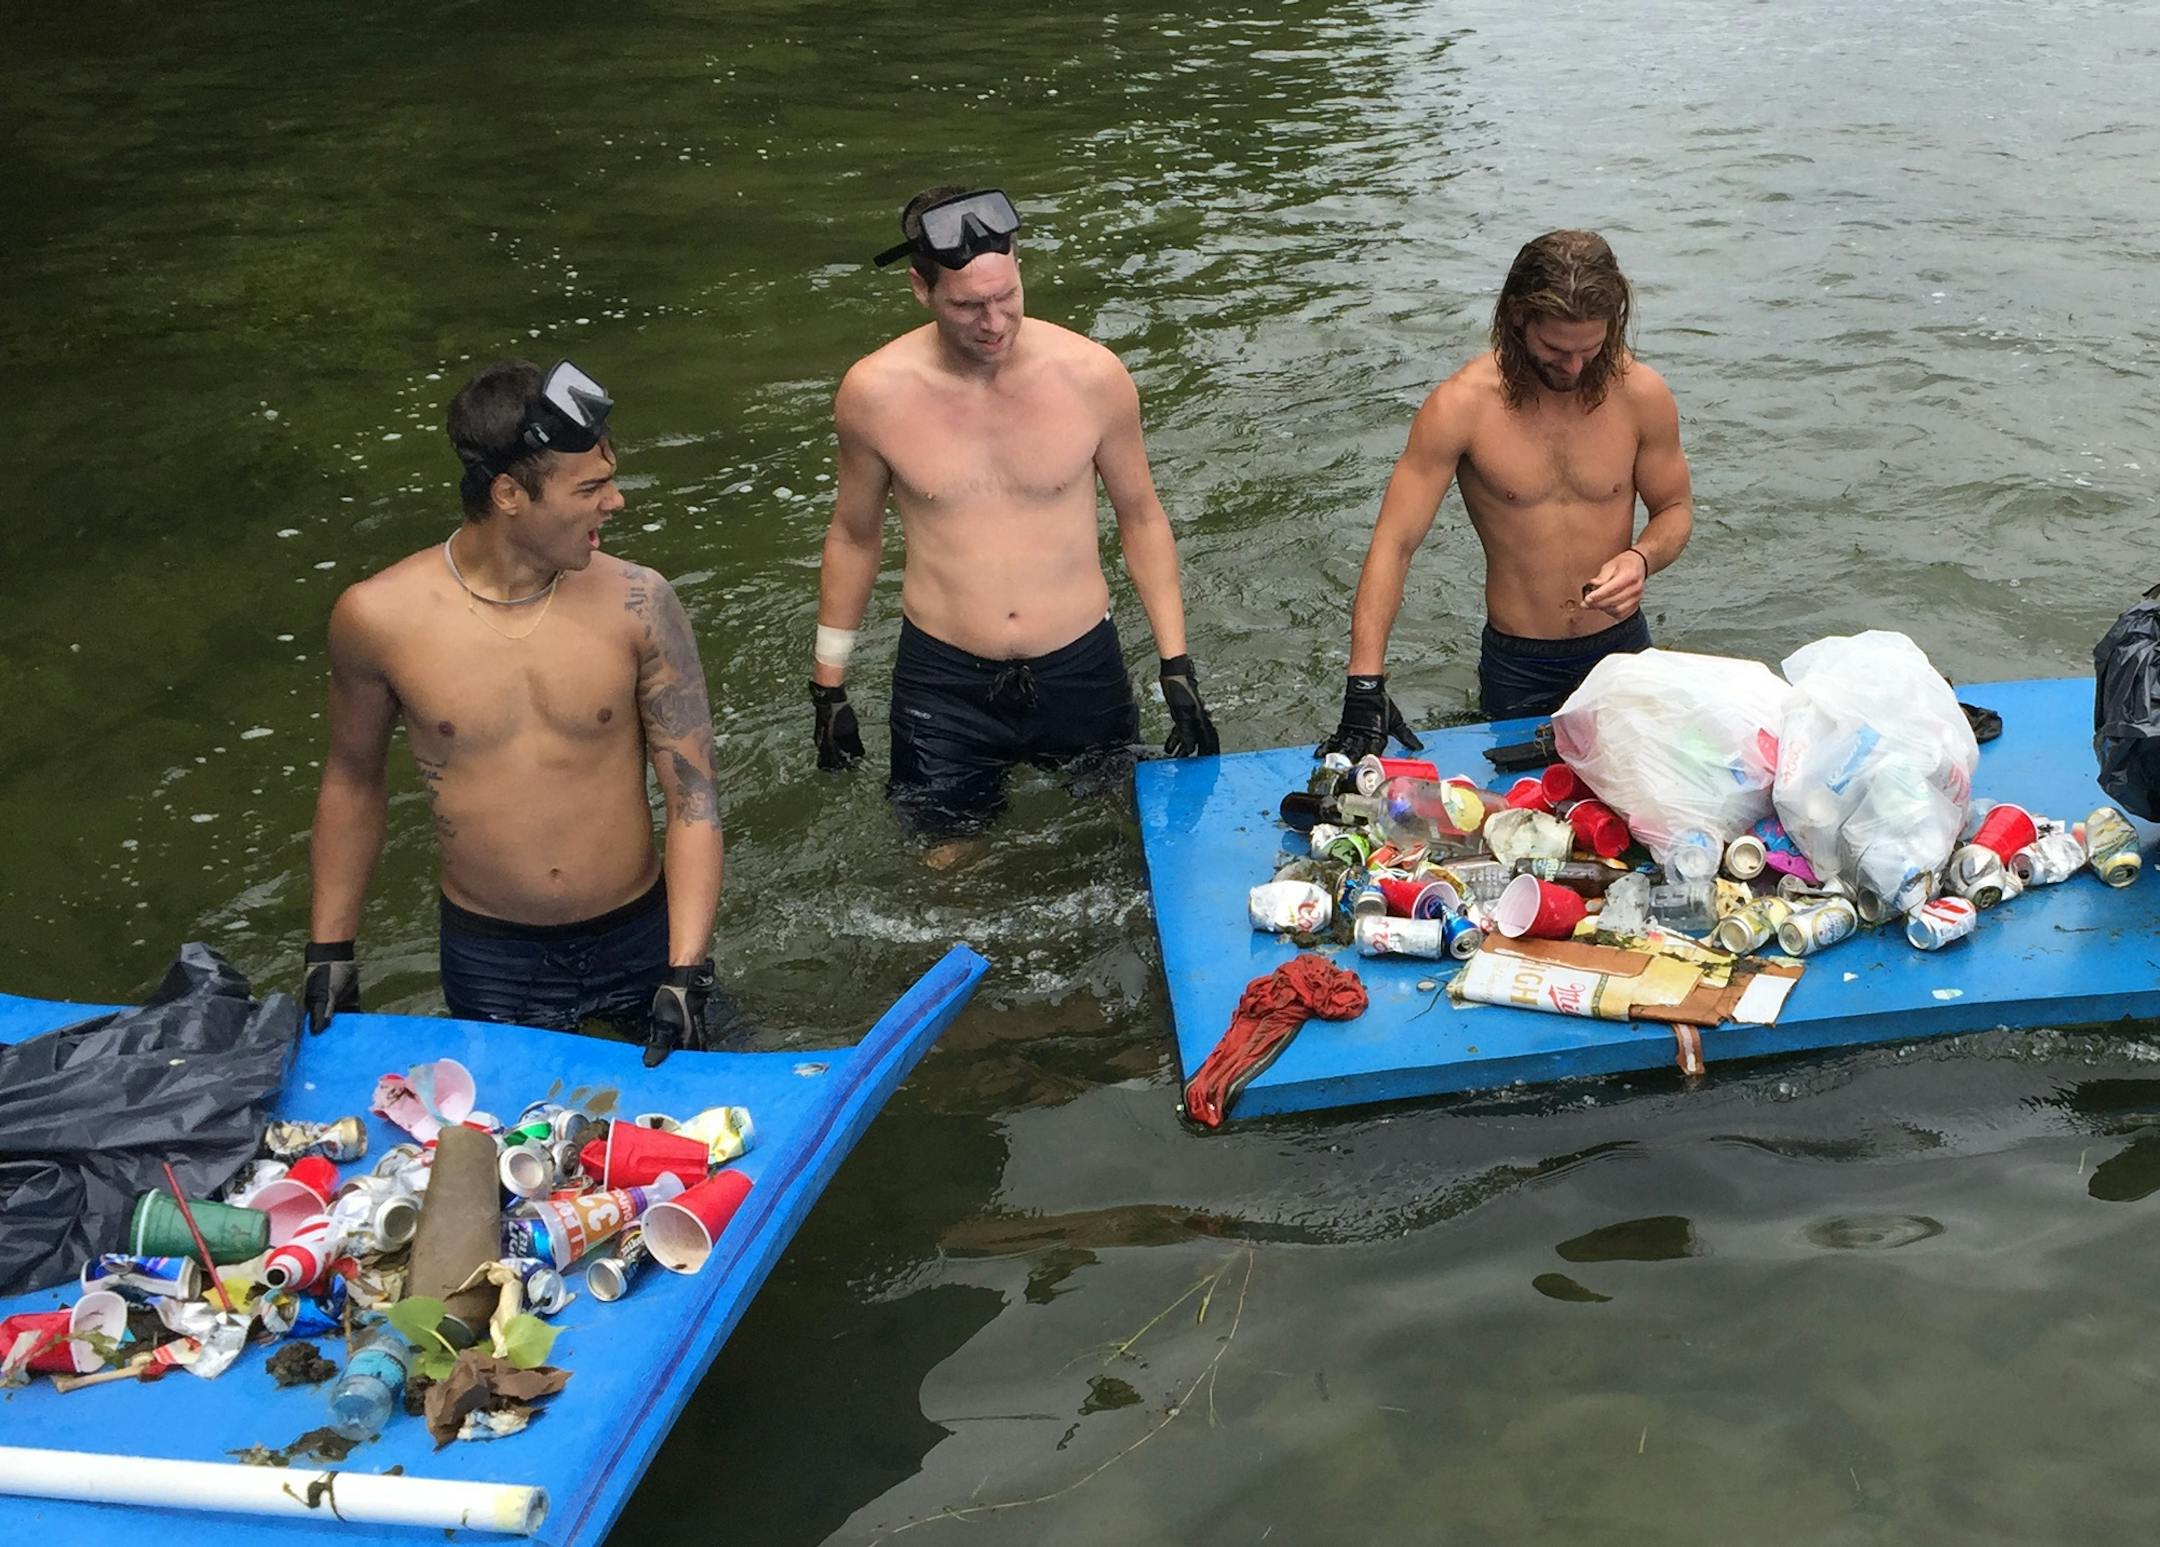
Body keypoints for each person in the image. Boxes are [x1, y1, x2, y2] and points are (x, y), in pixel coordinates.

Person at [300, 359, 726, 1066]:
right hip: (490, 953)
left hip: (641, 934)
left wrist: (686, 970)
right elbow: (351, 778)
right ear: (508, 493)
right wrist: (330, 950)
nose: (615, 502)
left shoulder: (640, 603)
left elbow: (695, 797)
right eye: (590, 487)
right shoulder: (378, 617)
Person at [809, 186, 1219, 834]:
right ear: (922, 287)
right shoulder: (873, 394)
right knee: (948, 876)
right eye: (969, 306)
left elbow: (1140, 516)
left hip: (1080, 665)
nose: (994, 323)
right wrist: (827, 687)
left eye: (1007, 297)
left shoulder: (1092, 377)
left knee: (1122, 848)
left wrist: (1177, 665)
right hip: (944, 680)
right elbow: (855, 536)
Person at [1321, 229, 1694, 753]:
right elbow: (1394, 543)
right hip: (1520, 664)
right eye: (1556, 349)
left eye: (1591, 349)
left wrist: (1641, 558)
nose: (1573, 367)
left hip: (1621, 649)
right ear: (1517, 317)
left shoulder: (1642, 395)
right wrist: (1364, 687)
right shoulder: (1462, 406)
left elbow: (1675, 509)